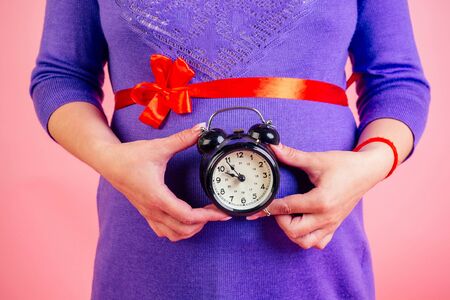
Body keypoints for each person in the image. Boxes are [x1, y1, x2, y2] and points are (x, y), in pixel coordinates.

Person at [29, 0, 430, 299]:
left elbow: (397, 82)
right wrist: (112, 161)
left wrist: (371, 163)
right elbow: (60, 76)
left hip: (315, 257)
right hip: (149, 247)